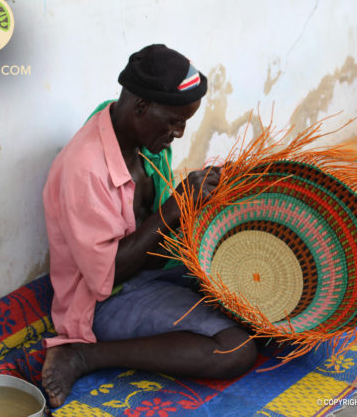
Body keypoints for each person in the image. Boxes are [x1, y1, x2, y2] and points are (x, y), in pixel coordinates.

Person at [41, 45, 257, 408]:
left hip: (154, 271)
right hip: (105, 299)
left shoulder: (138, 136)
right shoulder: (85, 168)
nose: (179, 133)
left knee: (264, 307)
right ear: (141, 107)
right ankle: (83, 356)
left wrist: (212, 196)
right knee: (236, 350)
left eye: (185, 122)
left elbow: (156, 241)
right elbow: (107, 276)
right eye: (174, 122)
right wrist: (174, 209)